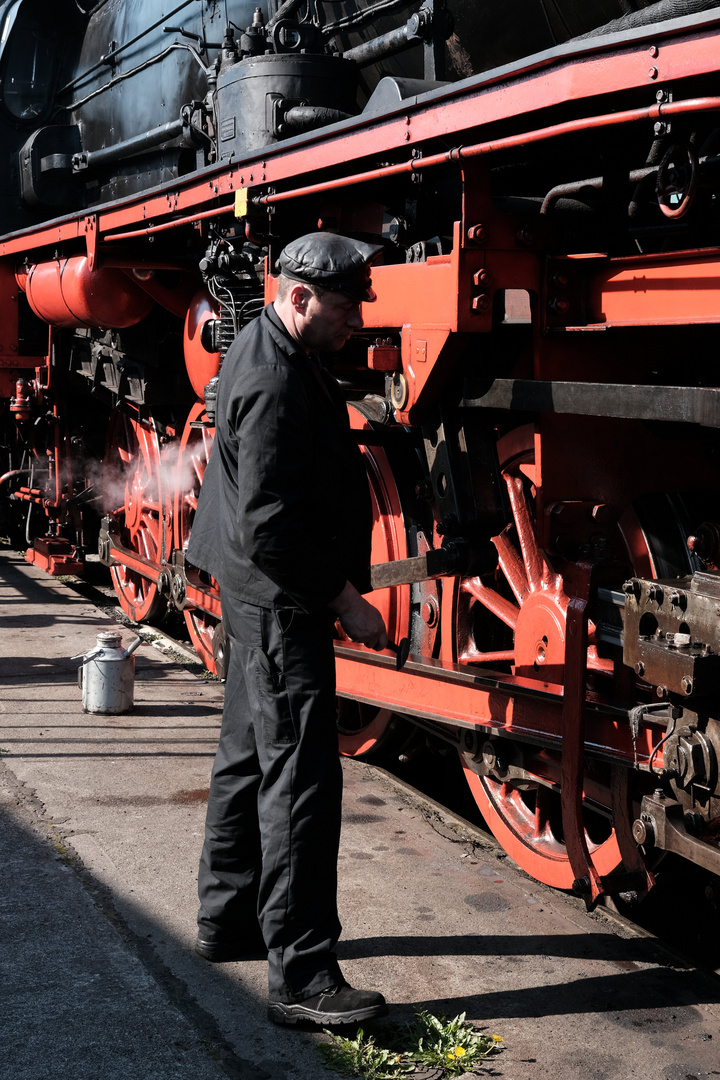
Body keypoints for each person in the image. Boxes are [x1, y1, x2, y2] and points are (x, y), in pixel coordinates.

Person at [186, 232, 389, 1026]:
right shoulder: (273, 375)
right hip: (279, 596)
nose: (353, 326)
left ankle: (226, 916)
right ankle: (302, 978)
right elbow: (271, 525)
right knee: (302, 777)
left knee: (244, 753)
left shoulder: (264, 340)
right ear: (298, 297)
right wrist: (346, 600)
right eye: (343, 311)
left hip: (246, 584)